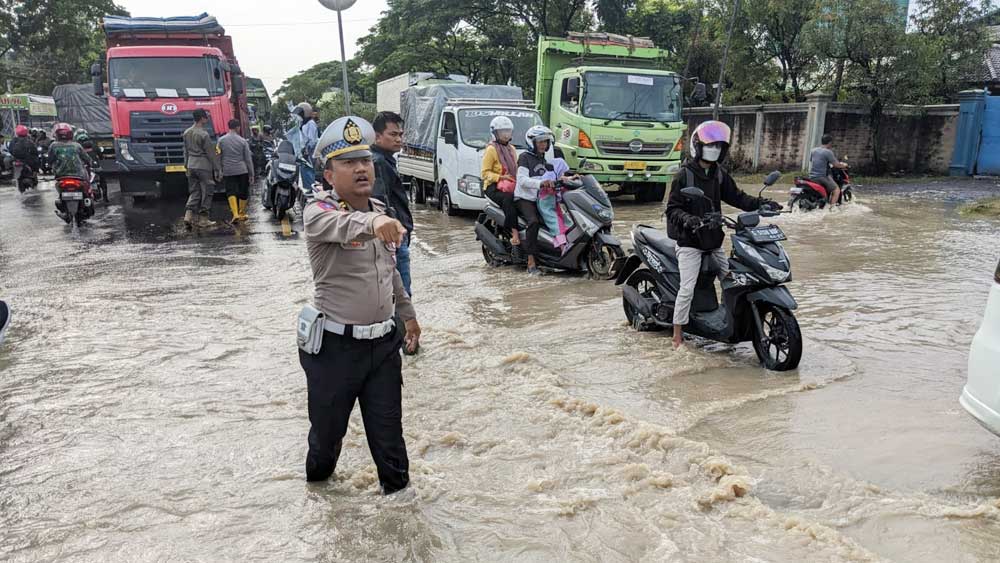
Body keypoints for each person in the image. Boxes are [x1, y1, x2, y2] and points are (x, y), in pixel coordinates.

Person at [299, 115, 422, 493]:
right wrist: (372, 223)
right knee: (326, 439)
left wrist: (410, 317)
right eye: (348, 163)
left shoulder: (381, 210)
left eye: (365, 160)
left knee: (390, 442)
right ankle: (320, 500)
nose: (360, 168)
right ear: (329, 175)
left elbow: (391, 273)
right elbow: (345, 226)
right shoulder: (317, 213)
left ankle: (402, 520)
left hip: (383, 346)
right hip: (335, 350)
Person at [665, 120, 780, 349]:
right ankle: (677, 335)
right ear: (698, 146)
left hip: (713, 241)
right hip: (690, 243)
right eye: (711, 145)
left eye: (719, 146)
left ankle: (728, 323)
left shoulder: (719, 174)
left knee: (733, 280)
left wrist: (762, 203)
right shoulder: (684, 175)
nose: (715, 149)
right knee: (687, 288)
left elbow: (738, 197)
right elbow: (672, 209)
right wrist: (688, 219)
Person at [371, 111, 415, 296]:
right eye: (393, 134)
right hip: (394, 238)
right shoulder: (378, 162)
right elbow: (380, 201)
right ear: (377, 136)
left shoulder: (386, 160)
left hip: (396, 235)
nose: (398, 139)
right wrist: (397, 233)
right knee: (402, 296)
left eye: (400, 135)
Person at [514, 125, 556, 275]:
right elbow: (522, 180)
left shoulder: (544, 159)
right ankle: (531, 262)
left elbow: (554, 175)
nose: (543, 145)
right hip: (525, 198)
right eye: (540, 142)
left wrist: (571, 177)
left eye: (545, 142)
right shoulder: (524, 157)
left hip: (541, 198)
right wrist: (540, 183)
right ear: (532, 142)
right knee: (534, 222)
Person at [482, 116, 521, 250]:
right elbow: (485, 173)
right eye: (502, 132)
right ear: (495, 133)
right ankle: (514, 233)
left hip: (510, 183)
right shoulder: (491, 149)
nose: (505, 134)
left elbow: (516, 168)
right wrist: (501, 177)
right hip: (493, 187)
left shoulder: (512, 149)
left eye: (508, 131)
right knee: (509, 199)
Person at [182, 109, 222, 229]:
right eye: (206, 117)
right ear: (202, 119)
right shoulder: (204, 134)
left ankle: (188, 215)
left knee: (194, 191)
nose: (207, 119)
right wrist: (217, 169)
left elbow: (185, 151)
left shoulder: (186, 132)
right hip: (203, 165)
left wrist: (186, 165)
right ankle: (203, 219)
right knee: (208, 191)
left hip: (191, 165)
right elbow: (210, 153)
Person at [49, 123, 93, 222]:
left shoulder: (53, 146)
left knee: (60, 192)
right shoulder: (76, 145)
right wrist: (90, 164)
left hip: (61, 176)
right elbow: (87, 159)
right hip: (78, 175)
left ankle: (64, 209)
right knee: (86, 190)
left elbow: (50, 160)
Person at [218, 119, 255, 224]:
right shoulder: (242, 141)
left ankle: (235, 214)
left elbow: (218, 156)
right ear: (237, 127)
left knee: (231, 191)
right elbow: (248, 159)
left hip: (228, 170)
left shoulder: (221, 140)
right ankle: (242, 213)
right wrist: (251, 174)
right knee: (243, 192)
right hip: (242, 170)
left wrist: (219, 170)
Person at [809, 134, 848, 206]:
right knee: (836, 190)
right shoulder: (828, 152)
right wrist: (844, 165)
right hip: (822, 177)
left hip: (811, 177)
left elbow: (813, 161)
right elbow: (836, 164)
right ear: (830, 143)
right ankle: (831, 209)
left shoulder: (813, 150)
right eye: (831, 143)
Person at [298, 102, 319, 192]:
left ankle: (312, 187)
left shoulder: (311, 123)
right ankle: (309, 187)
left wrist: (307, 148)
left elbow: (312, 139)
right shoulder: (303, 123)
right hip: (305, 149)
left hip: (310, 149)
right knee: (305, 168)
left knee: (309, 168)